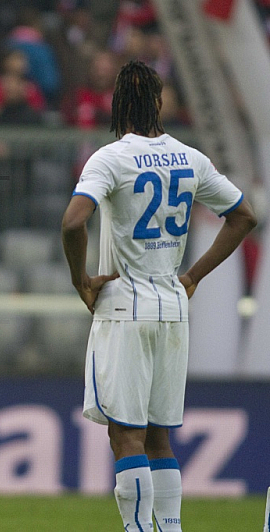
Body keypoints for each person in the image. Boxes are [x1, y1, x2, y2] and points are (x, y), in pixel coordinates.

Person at [61, 60, 257, 532]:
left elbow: (72, 222)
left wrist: (80, 280)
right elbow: (244, 217)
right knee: (159, 437)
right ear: (159, 102)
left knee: (125, 434)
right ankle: (169, 527)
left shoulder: (110, 158)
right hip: (173, 305)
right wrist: (193, 277)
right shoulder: (190, 157)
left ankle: (137, 529)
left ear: (118, 105)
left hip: (125, 306)